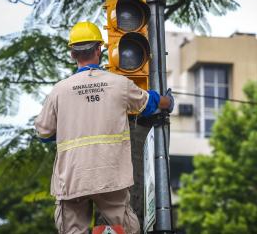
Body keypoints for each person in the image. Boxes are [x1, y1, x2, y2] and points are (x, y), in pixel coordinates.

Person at [34, 21, 174, 234]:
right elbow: (149, 104)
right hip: (110, 175)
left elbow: (43, 133)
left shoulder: (58, 91)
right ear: (99, 49)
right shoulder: (119, 84)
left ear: (72, 54)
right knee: (127, 229)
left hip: (73, 177)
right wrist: (168, 102)